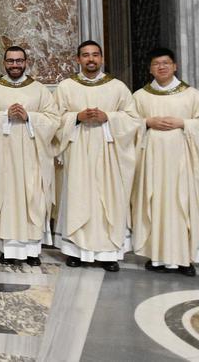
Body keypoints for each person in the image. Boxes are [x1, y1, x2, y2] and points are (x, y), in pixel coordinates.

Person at [131, 47, 199, 276]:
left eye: (165, 63)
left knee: (183, 205)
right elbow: (127, 124)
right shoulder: (141, 96)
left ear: (175, 66)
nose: (161, 67)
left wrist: (184, 123)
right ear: (150, 68)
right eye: (156, 64)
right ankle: (156, 256)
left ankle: (185, 258)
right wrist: (147, 121)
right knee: (155, 205)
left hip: (182, 163)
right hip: (152, 164)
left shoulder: (191, 95)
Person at [54, 40, 140, 272]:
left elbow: (133, 120)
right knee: (78, 197)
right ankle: (75, 251)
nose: (90, 59)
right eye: (85, 55)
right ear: (78, 59)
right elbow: (55, 119)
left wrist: (109, 117)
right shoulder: (66, 87)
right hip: (78, 150)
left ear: (102, 59)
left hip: (108, 152)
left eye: (95, 55)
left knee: (108, 200)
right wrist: (77, 117)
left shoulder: (118, 87)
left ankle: (109, 252)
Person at [0, 46, 61, 266]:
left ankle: (33, 250)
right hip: (1, 157)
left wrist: (29, 117)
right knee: (5, 199)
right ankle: (8, 249)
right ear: (4, 63)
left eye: (19, 61)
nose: (15, 65)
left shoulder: (40, 90)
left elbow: (53, 119)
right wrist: (4, 115)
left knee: (32, 198)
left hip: (32, 157)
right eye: (11, 61)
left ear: (26, 62)